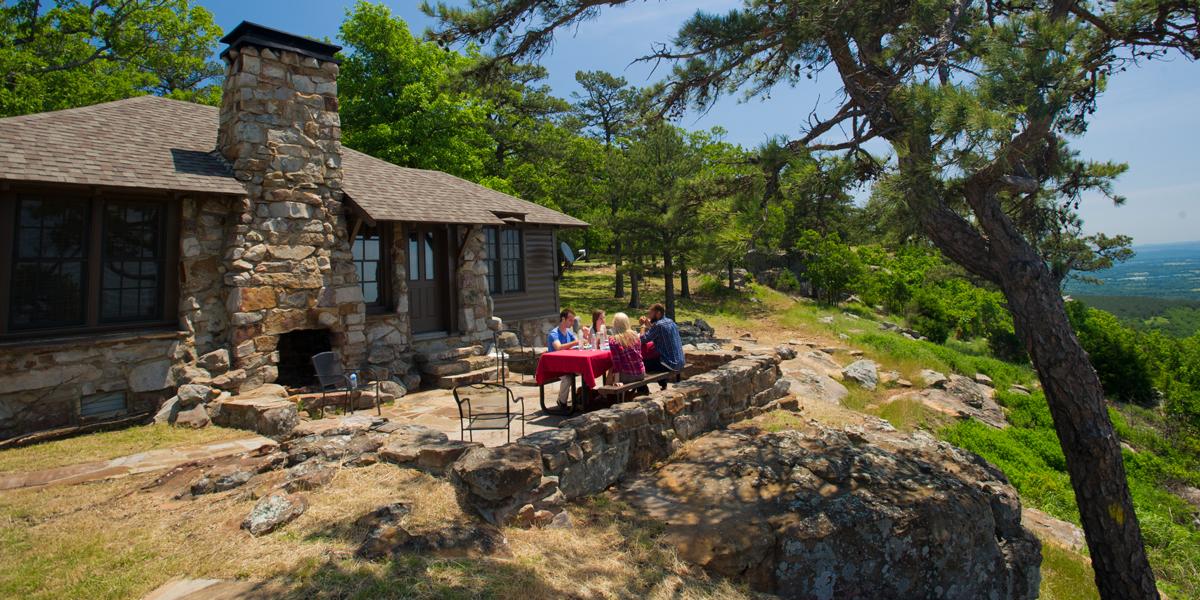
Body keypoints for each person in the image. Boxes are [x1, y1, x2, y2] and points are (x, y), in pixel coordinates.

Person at [639, 303, 685, 389]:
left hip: (671, 363)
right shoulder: (670, 321)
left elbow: (642, 339)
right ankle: (663, 385)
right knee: (655, 359)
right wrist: (649, 326)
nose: (649, 316)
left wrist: (642, 326)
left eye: (651, 313)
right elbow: (655, 333)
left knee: (640, 365)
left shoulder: (659, 325)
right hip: (680, 361)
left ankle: (643, 390)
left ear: (658, 313)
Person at [547, 308, 579, 408]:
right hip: (555, 365)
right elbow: (558, 347)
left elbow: (577, 344)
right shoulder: (554, 333)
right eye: (570, 320)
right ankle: (562, 402)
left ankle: (584, 397)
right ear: (563, 319)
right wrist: (575, 342)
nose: (572, 322)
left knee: (585, 371)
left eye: (573, 320)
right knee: (567, 378)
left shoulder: (568, 332)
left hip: (567, 363)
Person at [606, 312, 645, 385]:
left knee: (611, 368)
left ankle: (605, 394)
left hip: (627, 376)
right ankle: (605, 394)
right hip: (641, 373)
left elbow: (616, 363)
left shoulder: (614, 340)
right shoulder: (635, 336)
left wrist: (616, 381)